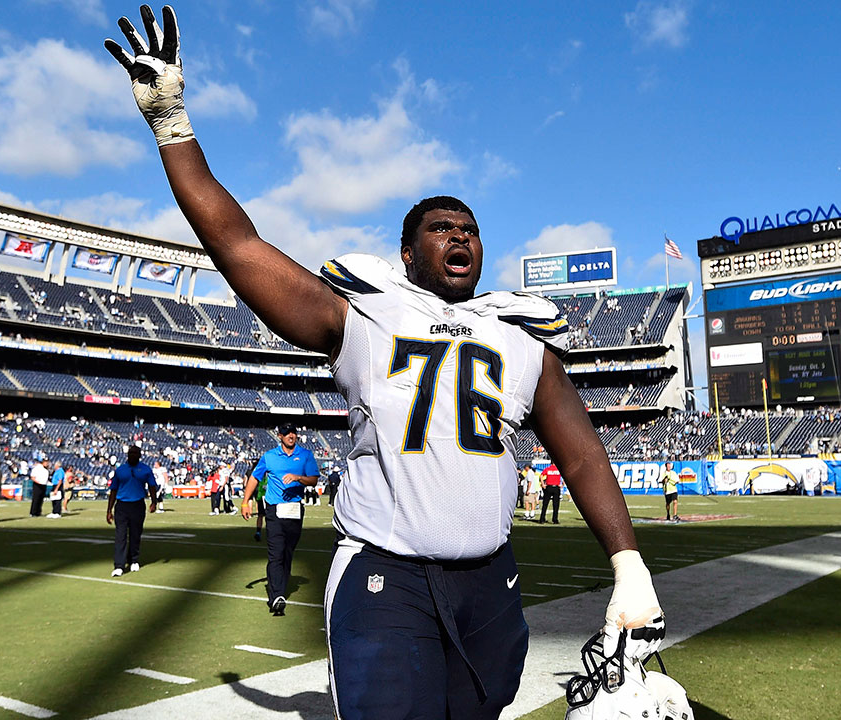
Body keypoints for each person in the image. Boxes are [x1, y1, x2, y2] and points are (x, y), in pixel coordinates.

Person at [105, 8, 664, 715]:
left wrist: (628, 561)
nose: (459, 236)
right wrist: (172, 124)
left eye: (470, 229)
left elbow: (582, 456)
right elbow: (239, 246)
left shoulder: (521, 335)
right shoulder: (365, 313)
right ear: (408, 253)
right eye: (440, 228)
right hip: (385, 576)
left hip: (491, 584)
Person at [241, 424, 319, 616]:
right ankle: (276, 596)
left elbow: (314, 479)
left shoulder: (306, 455)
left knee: (287, 553)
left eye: (293, 432)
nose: (290, 436)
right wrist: (245, 501)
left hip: (295, 510)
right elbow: (254, 478)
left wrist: (298, 478)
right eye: (286, 433)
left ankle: (279, 591)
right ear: (280, 436)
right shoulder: (269, 456)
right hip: (274, 510)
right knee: (276, 552)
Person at [105, 445, 159, 577]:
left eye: (135, 453)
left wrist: (154, 502)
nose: (133, 455)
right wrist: (109, 510)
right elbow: (113, 490)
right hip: (122, 506)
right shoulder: (120, 470)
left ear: (140, 455)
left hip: (138, 505)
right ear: (127, 455)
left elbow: (152, 486)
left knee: (135, 534)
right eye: (131, 453)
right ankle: (119, 565)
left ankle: (134, 559)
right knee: (120, 536)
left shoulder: (146, 470)